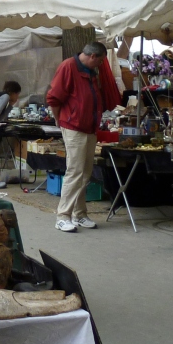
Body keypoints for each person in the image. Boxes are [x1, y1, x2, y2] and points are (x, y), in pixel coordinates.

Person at [46, 41, 122, 233]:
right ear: (92, 56)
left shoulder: (90, 71)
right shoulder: (68, 67)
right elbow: (54, 97)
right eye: (101, 61)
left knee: (85, 172)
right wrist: (59, 119)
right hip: (74, 127)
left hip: (89, 127)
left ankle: (79, 214)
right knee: (75, 171)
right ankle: (62, 216)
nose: (101, 65)